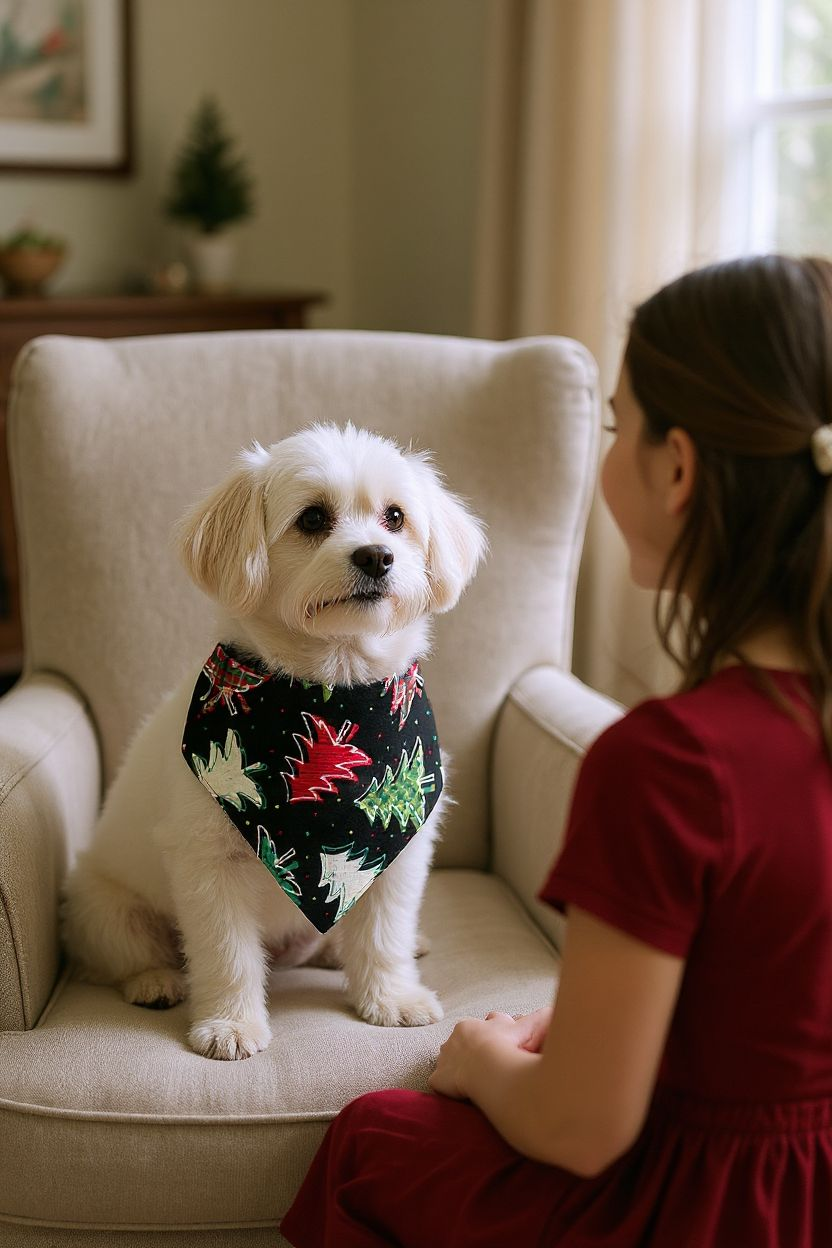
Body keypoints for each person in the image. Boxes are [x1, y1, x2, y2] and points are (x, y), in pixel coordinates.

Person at [280, 255, 832, 1247]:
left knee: (373, 1138)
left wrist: (478, 1058)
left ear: (679, 468)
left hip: (707, 1206)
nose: (606, 452)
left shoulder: (670, 764)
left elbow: (580, 1128)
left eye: (619, 425)